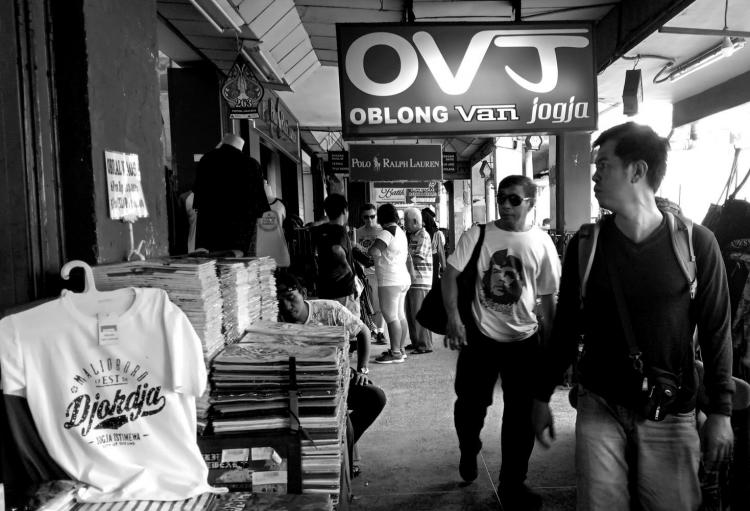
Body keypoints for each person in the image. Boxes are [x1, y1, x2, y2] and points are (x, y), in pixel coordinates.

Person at [531, 122, 735, 511]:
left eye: (604, 164)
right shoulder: (585, 245)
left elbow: (716, 331)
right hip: (600, 401)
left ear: (637, 171)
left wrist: (722, 412)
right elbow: (567, 327)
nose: (594, 174)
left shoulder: (696, 244)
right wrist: (541, 396)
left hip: (671, 407)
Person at [443, 175, 560, 509]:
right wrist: (453, 317)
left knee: (520, 417)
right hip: (481, 339)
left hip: (525, 342)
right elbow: (450, 274)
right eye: (502, 198)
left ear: (530, 203)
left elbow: (549, 299)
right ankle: (468, 446)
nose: (506, 205)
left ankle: (513, 482)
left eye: (514, 200)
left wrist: (553, 348)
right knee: (469, 407)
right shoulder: (478, 234)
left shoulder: (542, 244)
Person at [276, 272, 386, 471]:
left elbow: (363, 332)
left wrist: (362, 370)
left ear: (304, 293)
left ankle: (342, 448)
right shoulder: (274, 321)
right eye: (280, 301)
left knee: (375, 397)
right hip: (300, 388)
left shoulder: (329, 309)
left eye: (291, 298)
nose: (286, 306)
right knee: (339, 422)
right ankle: (341, 457)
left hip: (337, 379)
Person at [192, 133, 269, 255]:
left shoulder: (206, 160)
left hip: (211, 228)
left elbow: (198, 198)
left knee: (213, 267)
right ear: (240, 146)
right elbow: (260, 206)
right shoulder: (251, 164)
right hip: (240, 233)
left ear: (224, 142)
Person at [369, 204, 411, 364]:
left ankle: (394, 353)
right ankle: (400, 349)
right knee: (400, 315)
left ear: (381, 217)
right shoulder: (400, 232)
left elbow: (374, 251)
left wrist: (368, 251)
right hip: (402, 278)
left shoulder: (386, 232)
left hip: (389, 279)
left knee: (390, 316)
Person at [312, 193, 359, 316]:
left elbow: (312, 226)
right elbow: (336, 249)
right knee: (350, 328)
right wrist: (345, 265)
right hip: (343, 290)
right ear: (345, 210)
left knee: (332, 328)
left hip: (325, 289)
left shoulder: (320, 230)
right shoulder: (340, 230)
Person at [356, 204, 387, 345]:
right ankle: (371, 330)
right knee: (365, 305)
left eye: (372, 216)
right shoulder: (357, 232)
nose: (369, 220)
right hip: (362, 273)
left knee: (379, 304)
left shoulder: (382, 231)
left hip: (378, 272)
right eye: (366, 217)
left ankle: (380, 331)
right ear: (362, 218)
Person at [403, 207, 433, 354]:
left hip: (421, 281)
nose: (404, 224)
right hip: (412, 281)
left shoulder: (423, 235)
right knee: (411, 314)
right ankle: (416, 342)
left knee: (419, 314)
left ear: (415, 221)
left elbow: (416, 257)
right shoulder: (413, 236)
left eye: (406, 221)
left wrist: (403, 258)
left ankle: (424, 344)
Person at [422, 208, 446, 288]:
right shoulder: (437, 233)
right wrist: (444, 267)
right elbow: (440, 252)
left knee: (424, 280)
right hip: (433, 259)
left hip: (423, 258)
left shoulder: (420, 232)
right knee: (433, 279)